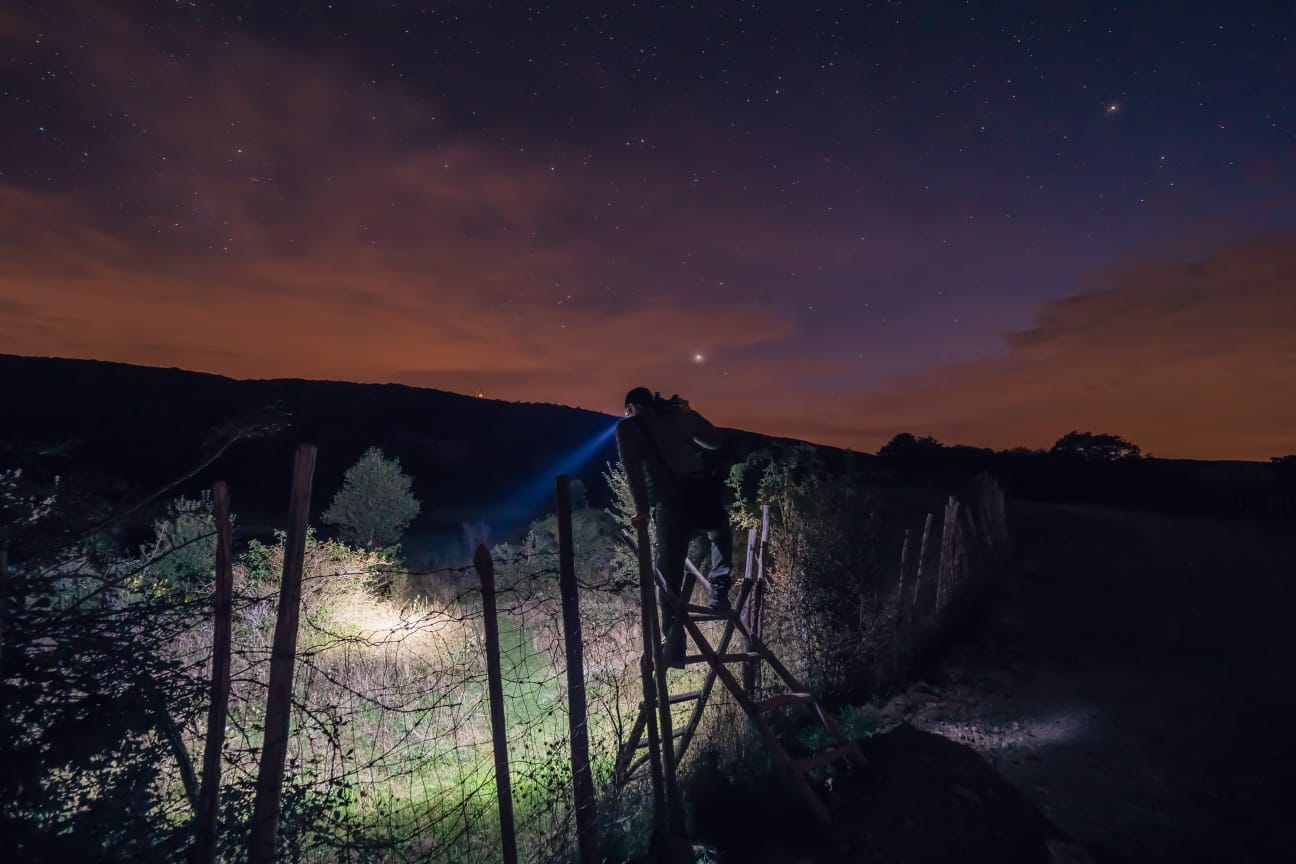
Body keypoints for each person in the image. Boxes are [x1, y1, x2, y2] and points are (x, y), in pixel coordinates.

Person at [616, 387, 734, 666]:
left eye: (627, 410)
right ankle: (719, 592)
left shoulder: (628, 429)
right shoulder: (680, 417)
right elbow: (715, 441)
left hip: (671, 503)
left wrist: (642, 510)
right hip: (700, 492)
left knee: (669, 574)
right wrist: (691, 413)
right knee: (720, 533)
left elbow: (633, 470)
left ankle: (675, 647)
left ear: (633, 407)